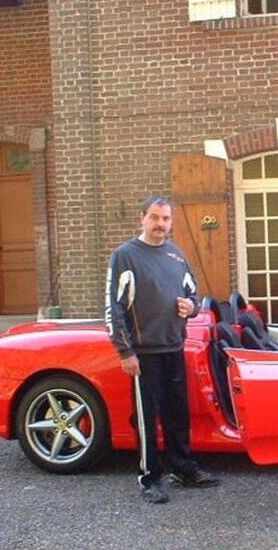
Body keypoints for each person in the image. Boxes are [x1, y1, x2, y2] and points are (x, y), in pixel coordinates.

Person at [105, 195, 219, 504]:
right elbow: (113, 309)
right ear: (142, 218)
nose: (160, 224)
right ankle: (149, 478)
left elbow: (194, 295)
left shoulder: (176, 255)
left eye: (166, 219)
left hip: (174, 347)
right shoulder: (124, 256)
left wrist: (191, 307)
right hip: (143, 354)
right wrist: (125, 352)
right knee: (147, 417)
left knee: (178, 415)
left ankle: (182, 468)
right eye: (155, 218)